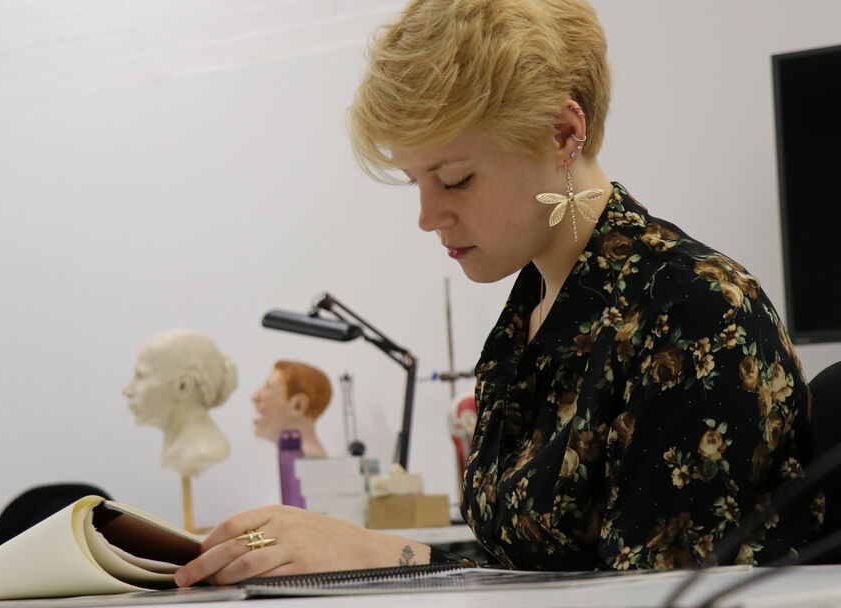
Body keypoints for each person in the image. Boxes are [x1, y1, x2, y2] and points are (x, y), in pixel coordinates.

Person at [175, 0, 820, 586]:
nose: (427, 216)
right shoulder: (531, 315)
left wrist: (386, 555)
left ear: (564, 134)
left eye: (454, 180)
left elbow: (650, 594)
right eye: (415, 182)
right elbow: (519, 567)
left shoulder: (696, 314)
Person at [123, 328, 238, 478]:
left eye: (141, 376)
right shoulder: (176, 449)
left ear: (183, 385)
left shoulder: (204, 451)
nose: (127, 390)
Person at [252, 360, 333, 458]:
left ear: (298, 406)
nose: (254, 397)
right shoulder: (299, 461)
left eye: (268, 387)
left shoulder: (308, 464)